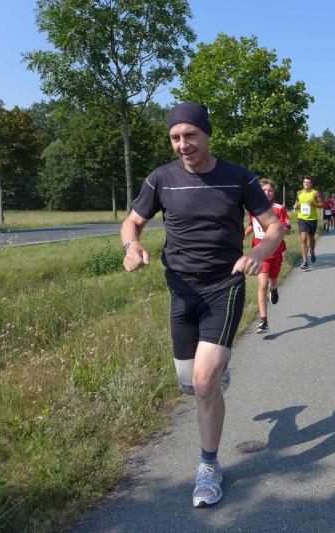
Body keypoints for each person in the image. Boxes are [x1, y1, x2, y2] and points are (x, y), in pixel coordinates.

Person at [120, 102, 285, 508]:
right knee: (189, 383)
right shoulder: (161, 178)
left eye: (190, 135)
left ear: (208, 134)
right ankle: (212, 375)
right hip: (180, 290)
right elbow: (132, 222)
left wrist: (259, 252)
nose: (183, 144)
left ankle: (208, 466)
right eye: (175, 137)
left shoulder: (238, 178)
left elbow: (274, 226)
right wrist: (131, 245)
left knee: (205, 383)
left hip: (223, 286)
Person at [244, 178, 292, 334]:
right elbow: (251, 225)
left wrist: (278, 229)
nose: (267, 193)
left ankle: (274, 287)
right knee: (262, 284)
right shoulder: (253, 208)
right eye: (263, 190)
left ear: (273, 193)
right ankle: (263, 321)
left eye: (269, 190)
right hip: (259, 252)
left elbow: (288, 229)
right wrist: (243, 236)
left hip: (275, 250)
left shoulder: (279, 209)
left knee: (273, 278)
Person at [294, 177, 323, 270]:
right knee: (303, 239)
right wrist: (296, 205)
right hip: (302, 218)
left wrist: (313, 204)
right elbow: (297, 201)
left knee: (311, 238)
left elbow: (321, 204)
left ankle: (312, 251)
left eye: (308, 182)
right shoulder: (299, 192)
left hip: (312, 219)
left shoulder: (315, 193)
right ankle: (305, 262)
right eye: (305, 182)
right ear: (303, 183)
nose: (306, 184)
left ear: (311, 184)